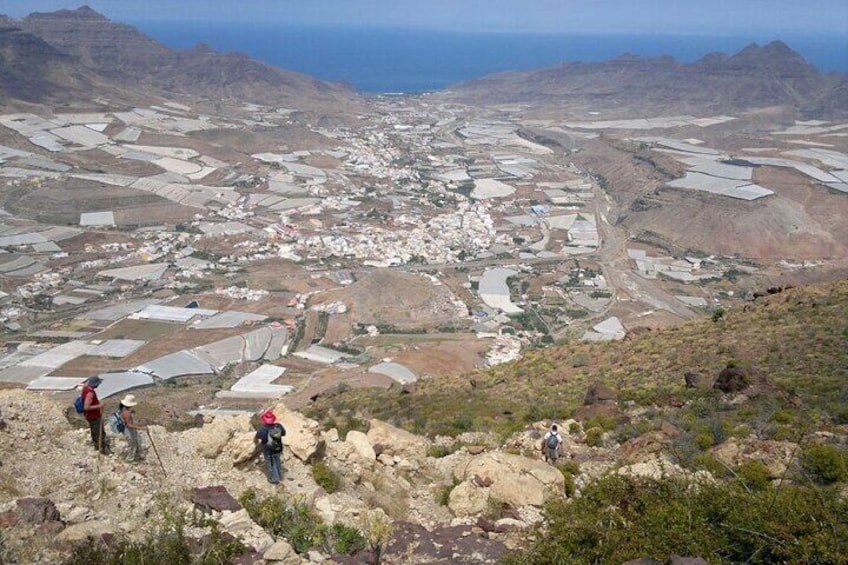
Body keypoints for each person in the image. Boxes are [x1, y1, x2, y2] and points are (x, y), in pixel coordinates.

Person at [254, 411, 285, 484]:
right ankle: (280, 476)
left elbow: (257, 437)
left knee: (271, 464)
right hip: (278, 447)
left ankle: (274, 479)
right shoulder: (278, 426)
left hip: (268, 450)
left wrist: (256, 443)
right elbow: (283, 433)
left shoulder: (262, 430)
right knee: (277, 461)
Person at [81, 376, 109, 454]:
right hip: (93, 416)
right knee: (99, 433)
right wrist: (99, 406)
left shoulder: (86, 388)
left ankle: (97, 446)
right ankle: (100, 449)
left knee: (94, 430)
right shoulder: (90, 393)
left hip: (90, 416)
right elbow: (86, 407)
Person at [118, 394, 146, 462]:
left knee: (136, 441)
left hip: (126, 429)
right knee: (132, 444)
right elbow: (130, 425)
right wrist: (141, 428)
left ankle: (137, 455)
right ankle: (130, 459)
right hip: (129, 430)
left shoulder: (123, 410)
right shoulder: (127, 413)